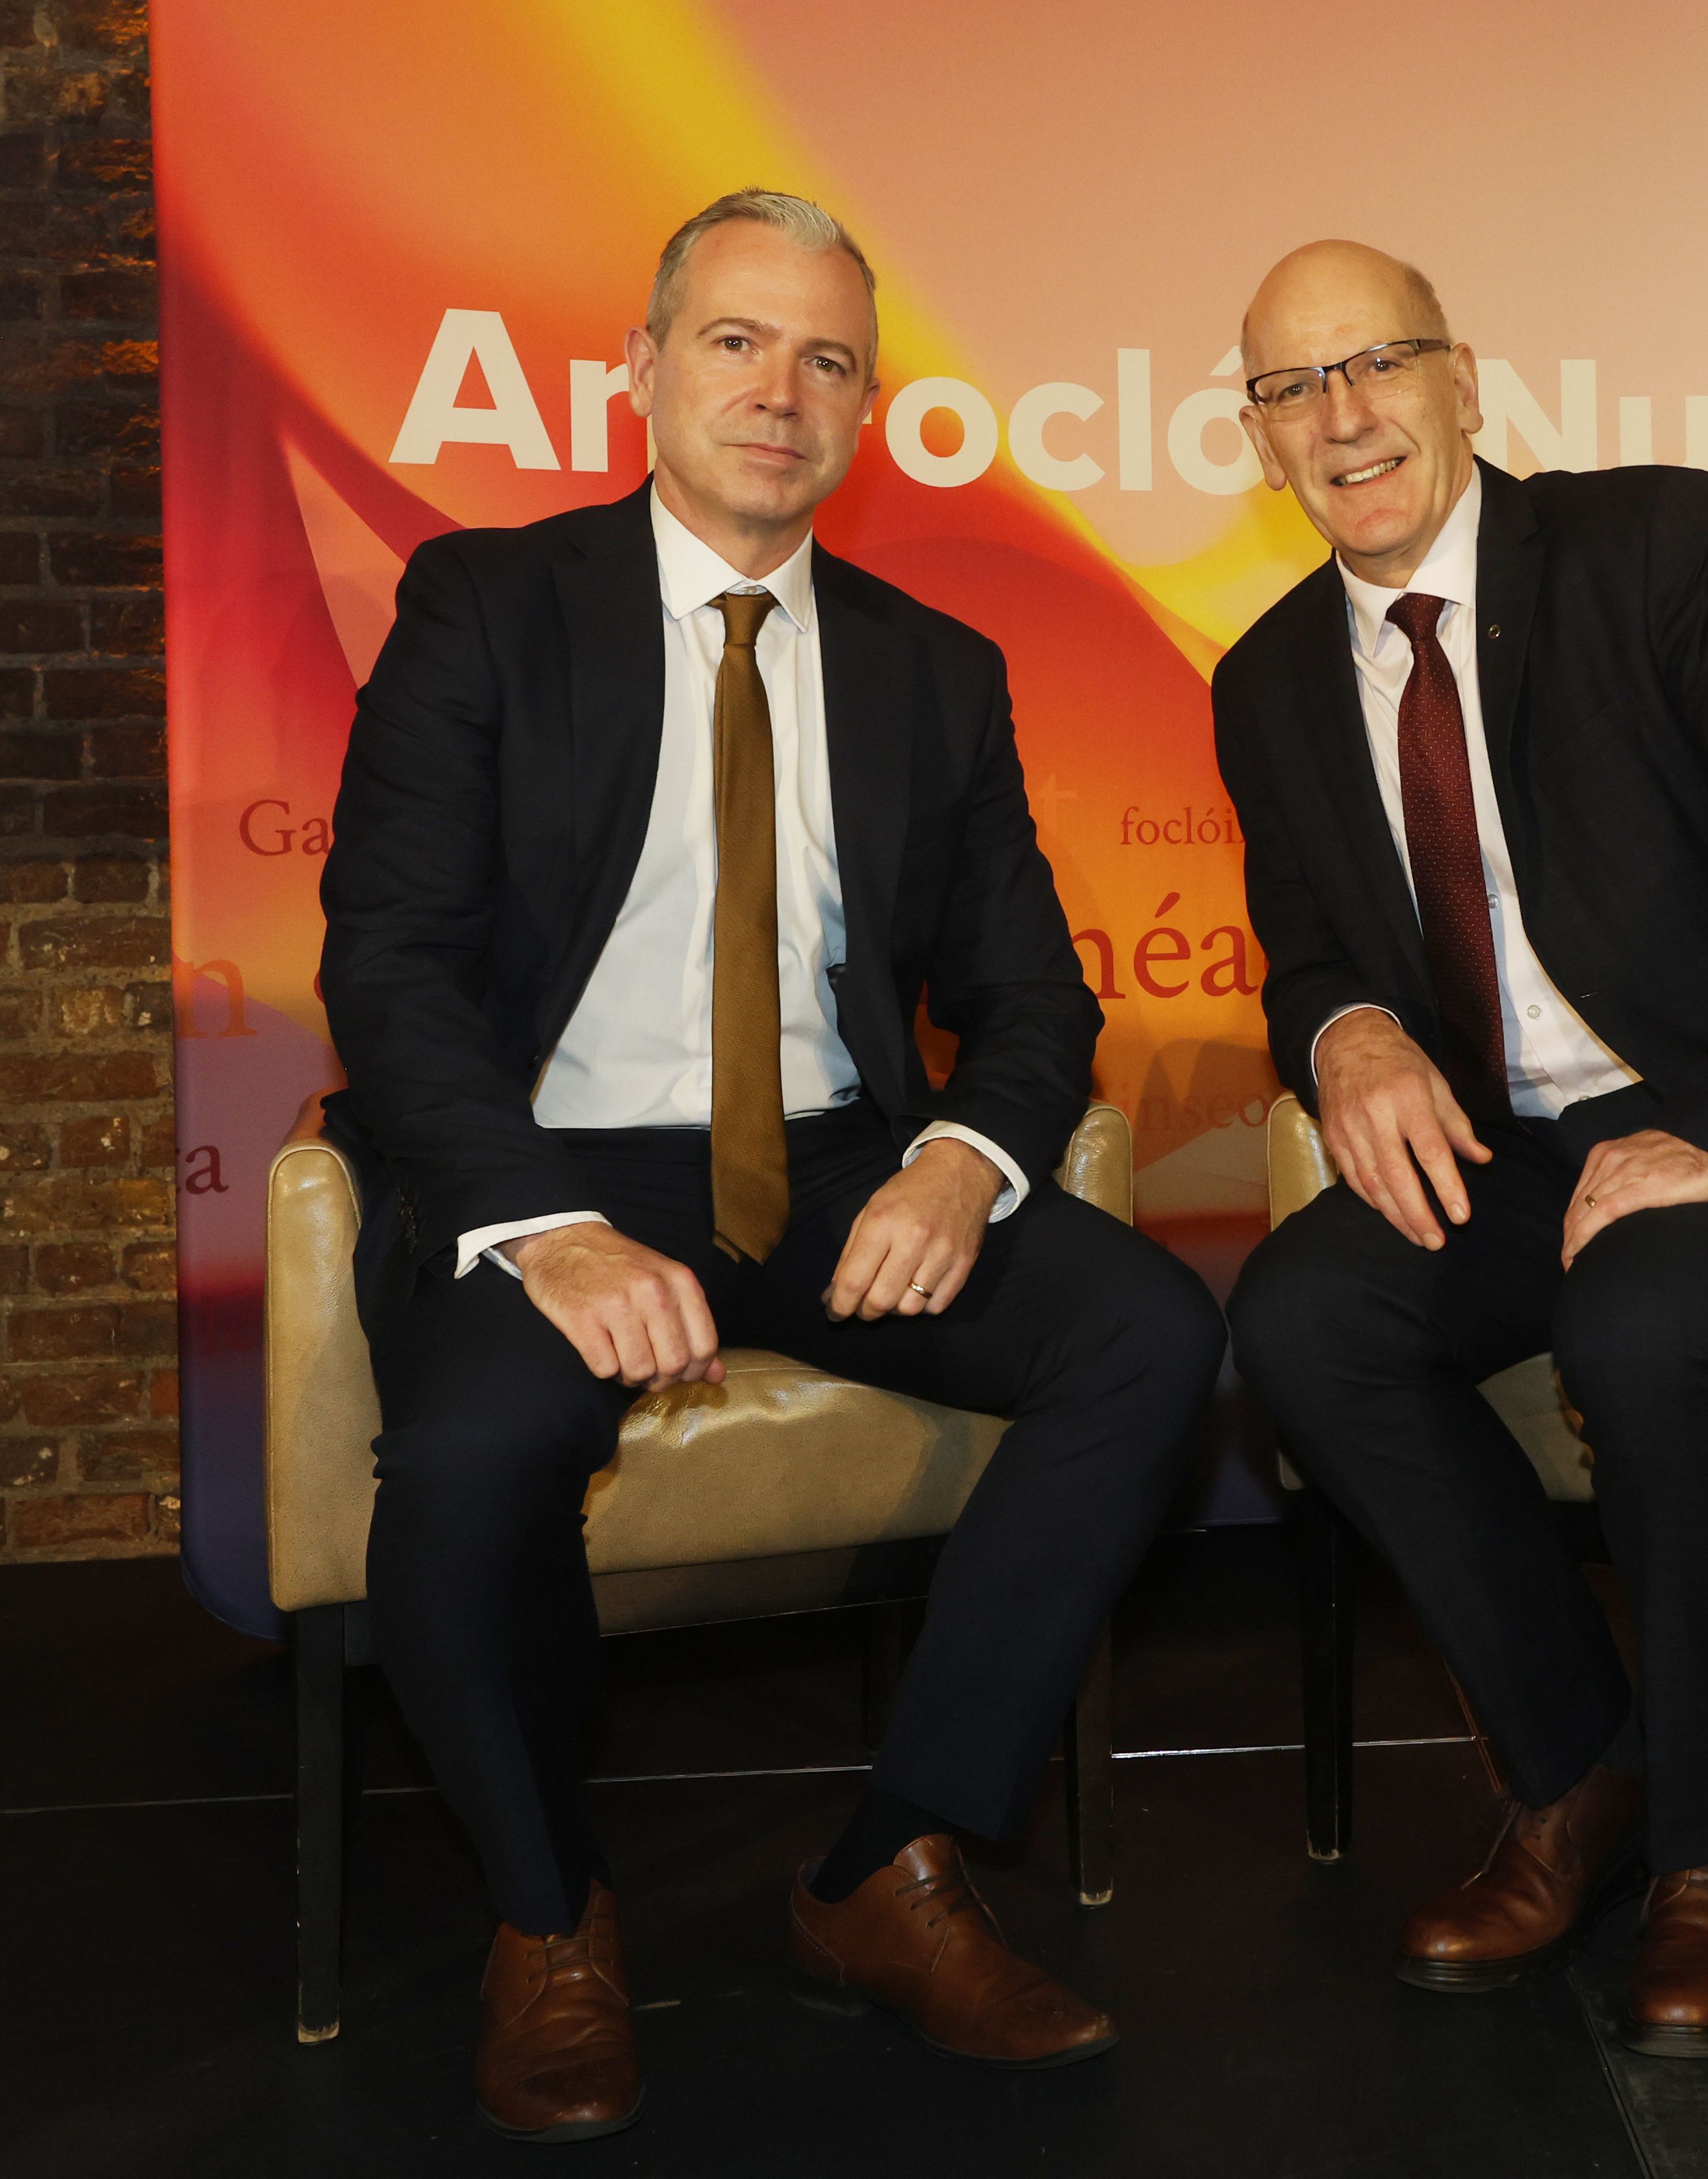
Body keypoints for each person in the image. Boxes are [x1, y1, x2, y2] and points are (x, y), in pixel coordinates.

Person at [320, 190, 1223, 2140]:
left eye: (825, 359)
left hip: (830, 1169)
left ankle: (890, 1872)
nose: (778, 391)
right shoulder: (487, 605)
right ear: (643, 372)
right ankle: (546, 1917)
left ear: (865, 410)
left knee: (1145, 1333)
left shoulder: (931, 665)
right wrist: (544, 1231)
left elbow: (1031, 994)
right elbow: (384, 964)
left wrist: (964, 1162)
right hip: (549, 1165)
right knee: (473, 1455)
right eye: (735, 341)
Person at [1212, 241, 1708, 2057]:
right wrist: (1344, 1030)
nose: (1342, 416)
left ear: (1463, 383)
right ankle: (1579, 1772)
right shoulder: (1264, 680)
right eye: (1292, 389)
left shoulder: (1644, 547)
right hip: (1504, 1145)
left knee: (1641, 1327)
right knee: (1304, 1323)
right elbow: (1308, 940)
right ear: (1258, 440)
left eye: (1374, 364)